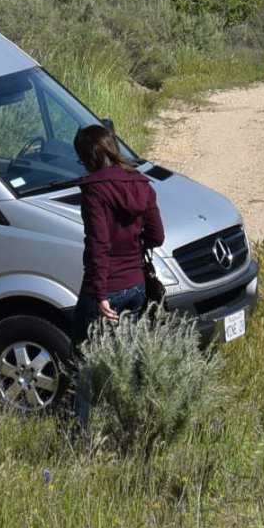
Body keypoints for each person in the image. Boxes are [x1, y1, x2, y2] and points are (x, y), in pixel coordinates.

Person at [70, 122, 164, 427]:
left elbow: (99, 244)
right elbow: (157, 235)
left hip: (106, 286)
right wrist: (134, 247)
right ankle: (134, 425)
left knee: (86, 360)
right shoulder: (141, 184)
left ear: (88, 156)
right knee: (131, 359)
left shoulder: (94, 190)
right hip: (135, 284)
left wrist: (99, 295)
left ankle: (83, 433)